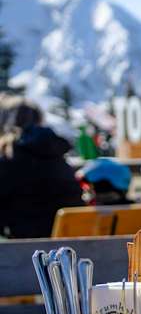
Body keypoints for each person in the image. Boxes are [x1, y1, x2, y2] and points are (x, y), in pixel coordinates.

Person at [0, 99, 84, 238]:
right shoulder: (56, 154)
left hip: (21, 246)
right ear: (40, 120)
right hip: (67, 245)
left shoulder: (8, 158)